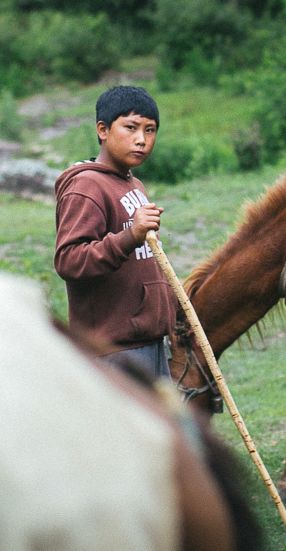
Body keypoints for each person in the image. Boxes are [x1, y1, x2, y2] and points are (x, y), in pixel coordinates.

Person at [54, 85, 177, 378]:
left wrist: (173, 309)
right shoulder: (86, 187)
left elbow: (148, 261)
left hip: (150, 342)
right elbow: (69, 260)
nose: (142, 140)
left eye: (150, 130)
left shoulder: (134, 185)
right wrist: (129, 236)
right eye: (131, 128)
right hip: (114, 351)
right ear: (103, 130)